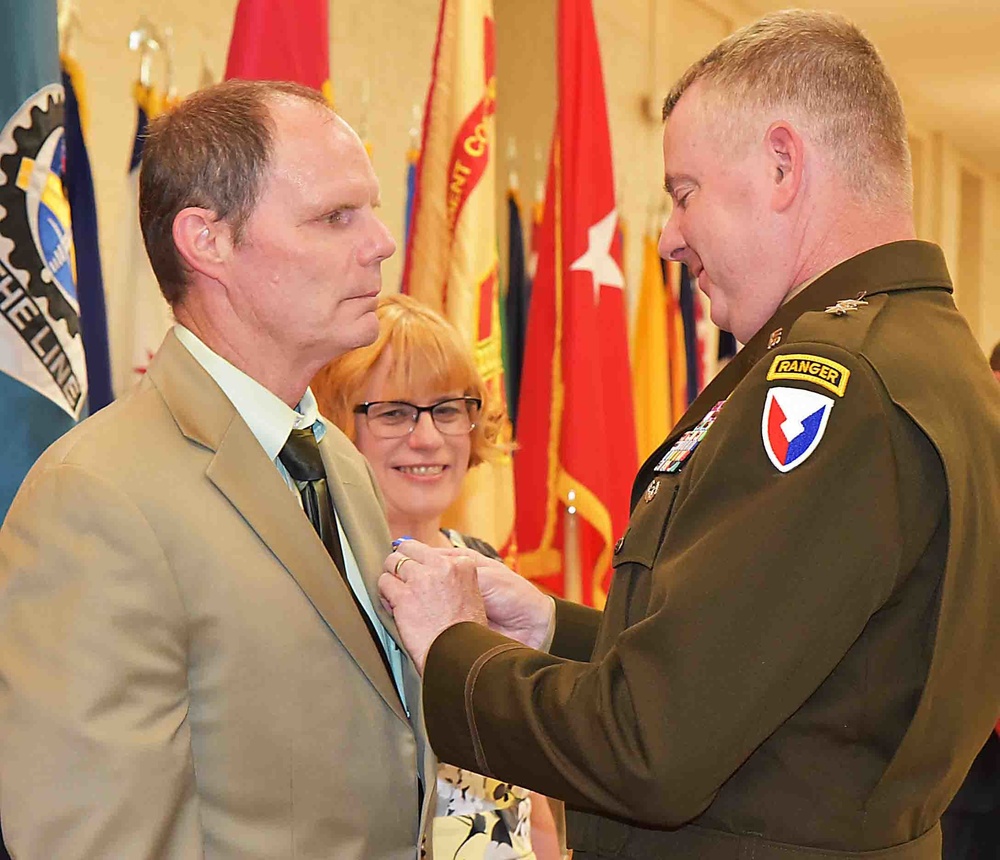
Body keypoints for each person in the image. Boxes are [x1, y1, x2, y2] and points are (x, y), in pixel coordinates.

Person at [378, 10, 1000, 859]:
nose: (669, 236)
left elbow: (650, 750)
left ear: (783, 165)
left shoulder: (829, 386)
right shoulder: (932, 357)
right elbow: (793, 683)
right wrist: (557, 633)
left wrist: (456, 651)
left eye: (684, 193)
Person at [0, 80, 434, 859]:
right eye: (336, 216)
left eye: (368, 210)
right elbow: (99, 841)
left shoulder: (337, 461)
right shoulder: (97, 497)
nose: (381, 242)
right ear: (207, 241)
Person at [312, 293, 564, 860]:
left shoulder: (488, 569)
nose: (427, 439)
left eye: (447, 409)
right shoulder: (323, 587)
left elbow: (527, 799)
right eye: (394, 413)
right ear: (334, 423)